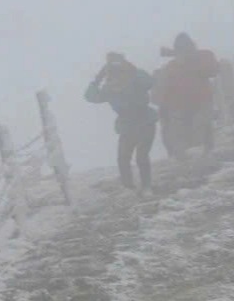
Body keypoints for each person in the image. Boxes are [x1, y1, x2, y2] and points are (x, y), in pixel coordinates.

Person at [85, 52, 158, 191]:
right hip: (126, 124)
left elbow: (149, 82)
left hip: (145, 119)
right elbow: (91, 97)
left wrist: (133, 69)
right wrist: (97, 80)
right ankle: (129, 188)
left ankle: (147, 187)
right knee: (123, 159)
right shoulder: (109, 86)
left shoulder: (135, 77)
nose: (116, 67)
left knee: (141, 156)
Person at [152, 32, 220, 165]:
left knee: (203, 126)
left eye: (184, 47)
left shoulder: (204, 56)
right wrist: (163, 106)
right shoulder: (171, 66)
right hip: (179, 105)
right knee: (178, 134)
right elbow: (165, 87)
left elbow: (213, 70)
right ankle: (182, 160)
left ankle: (207, 153)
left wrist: (190, 61)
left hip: (202, 100)